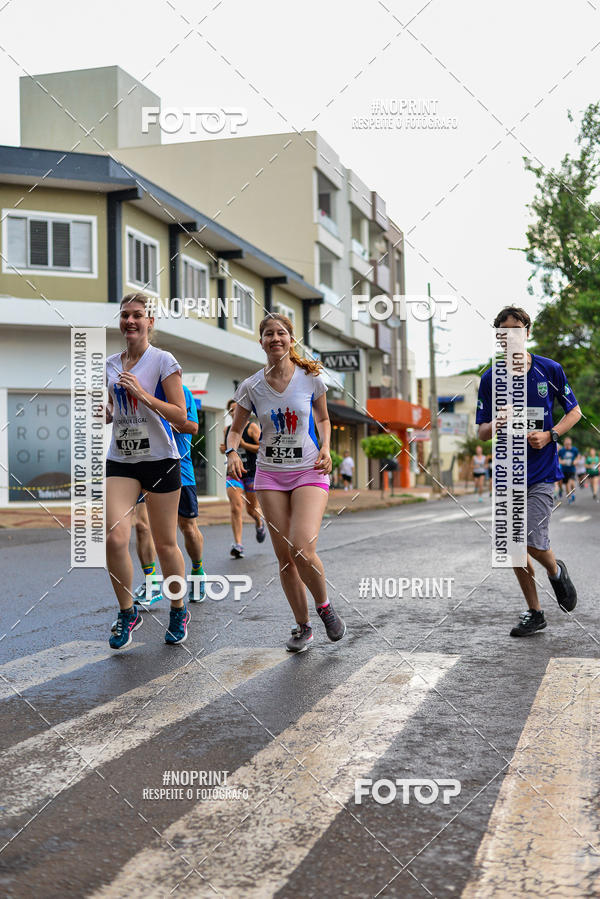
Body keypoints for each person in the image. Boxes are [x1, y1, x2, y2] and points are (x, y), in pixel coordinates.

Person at [226, 313, 345, 652]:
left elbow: (323, 418)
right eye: (268, 334)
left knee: (301, 546)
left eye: (281, 333)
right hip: (269, 474)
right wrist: (231, 452)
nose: (275, 338)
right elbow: (236, 429)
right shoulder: (251, 386)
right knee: (285, 558)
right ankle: (303, 626)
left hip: (309, 469)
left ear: (291, 339)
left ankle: (324, 607)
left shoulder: (310, 378)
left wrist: (325, 448)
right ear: (260, 341)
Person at [476, 306, 581, 638]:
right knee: (512, 546)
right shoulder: (491, 378)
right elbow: (480, 432)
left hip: (541, 471)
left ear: (527, 332)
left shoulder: (550, 370)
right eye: (503, 330)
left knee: (532, 541)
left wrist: (551, 435)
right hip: (507, 474)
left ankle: (554, 569)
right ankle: (535, 613)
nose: (510, 335)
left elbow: (574, 412)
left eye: (516, 328)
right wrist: (497, 422)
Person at [105, 293, 191, 649]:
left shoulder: (162, 360)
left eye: (138, 315)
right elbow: (114, 407)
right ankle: (128, 613)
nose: (130, 321)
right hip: (122, 458)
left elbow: (181, 417)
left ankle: (177, 608)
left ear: (150, 322)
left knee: (166, 542)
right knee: (114, 538)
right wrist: (107, 411)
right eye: (125, 315)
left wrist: (143, 394)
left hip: (160, 460)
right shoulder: (110, 363)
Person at [132, 384, 206, 606]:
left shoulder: (180, 391)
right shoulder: (137, 390)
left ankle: (197, 570)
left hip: (178, 469)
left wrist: (157, 421)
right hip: (143, 468)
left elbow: (192, 427)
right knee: (142, 526)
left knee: (188, 528)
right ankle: (151, 582)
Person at [220, 398, 266, 558]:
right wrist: (224, 449)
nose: (234, 412)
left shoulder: (251, 427)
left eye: (236, 409)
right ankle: (238, 544)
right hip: (233, 474)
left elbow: (264, 447)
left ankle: (259, 522)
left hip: (252, 473)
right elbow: (227, 449)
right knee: (236, 507)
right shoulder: (227, 430)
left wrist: (245, 446)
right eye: (231, 410)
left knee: (251, 509)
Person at [558, 436, 578, 504]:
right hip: (564, 470)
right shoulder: (561, 451)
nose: (568, 445)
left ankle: (572, 494)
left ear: (571, 443)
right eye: (566, 444)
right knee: (567, 485)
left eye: (569, 444)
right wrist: (561, 462)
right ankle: (569, 497)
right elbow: (558, 459)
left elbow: (578, 457)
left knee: (570, 483)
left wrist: (576, 461)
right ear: (564, 444)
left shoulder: (574, 450)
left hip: (572, 470)